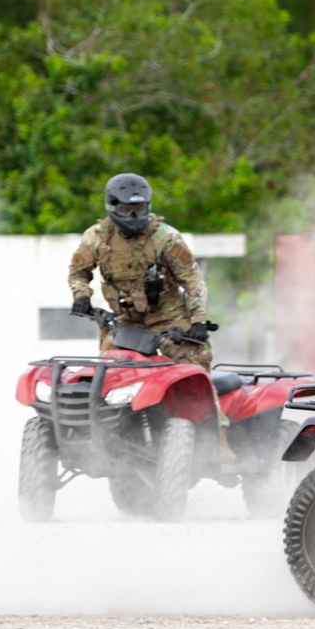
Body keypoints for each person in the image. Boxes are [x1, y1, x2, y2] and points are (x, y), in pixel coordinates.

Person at [67, 172, 234, 460]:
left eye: (140, 209)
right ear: (112, 207)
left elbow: (192, 281)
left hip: (169, 315)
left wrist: (197, 321)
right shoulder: (95, 238)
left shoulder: (165, 237)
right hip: (125, 319)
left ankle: (216, 441)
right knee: (109, 373)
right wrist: (81, 295)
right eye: (126, 210)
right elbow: (78, 272)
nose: (133, 216)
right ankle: (105, 434)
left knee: (195, 365)